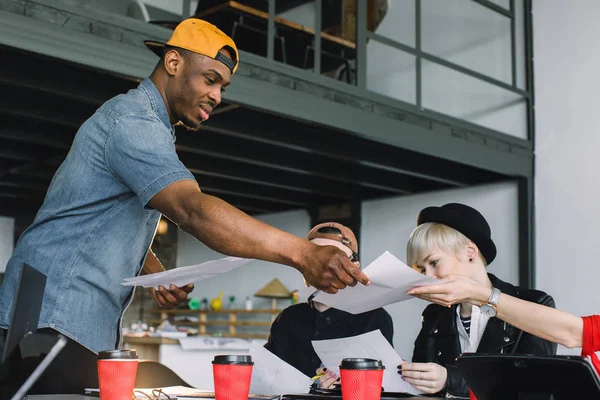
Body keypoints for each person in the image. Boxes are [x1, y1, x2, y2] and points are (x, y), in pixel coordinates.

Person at [0, 19, 369, 396]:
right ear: (173, 63)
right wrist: (302, 253)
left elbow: (96, 216)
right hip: (54, 318)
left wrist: (156, 273)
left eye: (223, 87)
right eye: (209, 79)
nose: (217, 96)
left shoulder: (147, 127)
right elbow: (192, 210)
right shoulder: (133, 123)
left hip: (63, 319)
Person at [398, 203, 556, 397]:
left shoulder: (535, 303)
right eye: (422, 270)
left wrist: (451, 380)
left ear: (470, 252)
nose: (429, 275)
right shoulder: (434, 315)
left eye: (434, 262)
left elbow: (532, 389)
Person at [265, 222, 393, 388]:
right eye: (315, 260)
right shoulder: (288, 318)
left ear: (354, 267)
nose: (323, 269)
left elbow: (381, 385)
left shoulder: (374, 318)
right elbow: (268, 376)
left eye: (334, 261)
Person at [407, 275, 600, 375]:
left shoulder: (538, 299)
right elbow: (580, 332)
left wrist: (481, 295)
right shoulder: (435, 315)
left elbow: (576, 333)